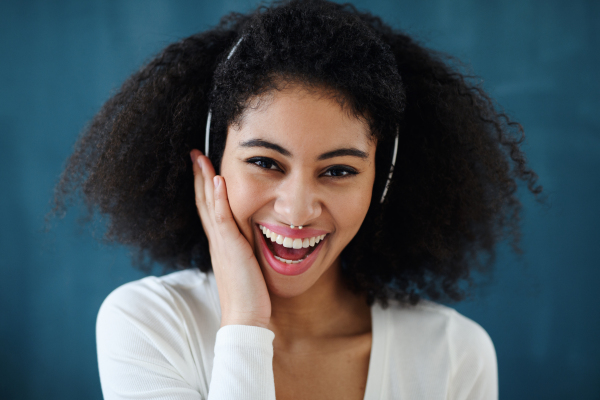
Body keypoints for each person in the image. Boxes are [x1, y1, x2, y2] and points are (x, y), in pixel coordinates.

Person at [53, 0, 542, 398]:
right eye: (266, 163)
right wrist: (245, 321)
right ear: (214, 162)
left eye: (338, 171)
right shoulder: (149, 324)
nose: (297, 209)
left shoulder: (454, 355)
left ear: (384, 181)